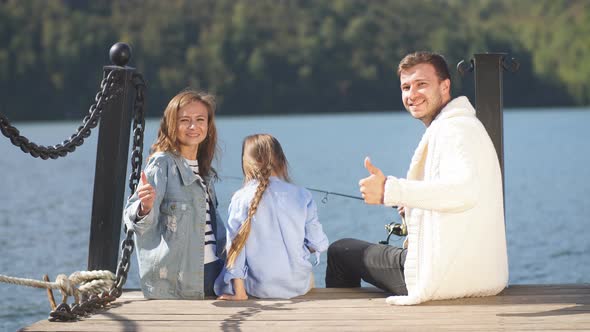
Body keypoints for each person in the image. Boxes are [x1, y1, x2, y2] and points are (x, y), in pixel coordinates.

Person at [325, 51, 509, 305]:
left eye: (422, 84)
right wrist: (412, 206)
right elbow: (452, 191)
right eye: (406, 87)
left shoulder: (455, 130)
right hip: (472, 270)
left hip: (444, 276)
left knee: (340, 251)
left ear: (445, 86)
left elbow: (465, 191)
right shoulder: (460, 124)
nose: (412, 94)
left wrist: (391, 189)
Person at [123, 89, 227, 299]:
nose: (193, 126)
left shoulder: (203, 169)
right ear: (171, 124)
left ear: (208, 125)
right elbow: (134, 220)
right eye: (184, 120)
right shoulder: (162, 164)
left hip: (215, 276)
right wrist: (145, 207)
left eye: (200, 119)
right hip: (180, 283)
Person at [215, 134, 329, 300]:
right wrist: (296, 248)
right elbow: (319, 243)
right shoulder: (302, 195)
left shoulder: (240, 198)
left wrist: (239, 293)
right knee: (308, 275)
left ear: (246, 164)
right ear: (282, 161)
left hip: (258, 288)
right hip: (298, 286)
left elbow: (235, 248)